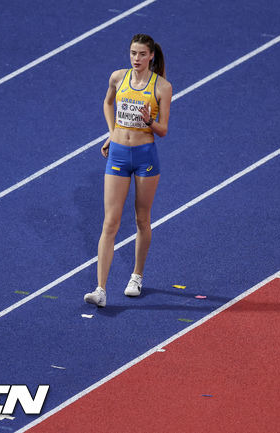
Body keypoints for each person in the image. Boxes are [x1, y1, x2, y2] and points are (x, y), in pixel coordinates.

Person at [84, 34, 172, 307]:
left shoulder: (162, 87)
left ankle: (136, 275)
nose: (136, 59)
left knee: (141, 220)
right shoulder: (117, 78)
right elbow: (107, 103)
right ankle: (100, 289)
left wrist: (150, 121)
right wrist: (113, 133)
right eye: (133, 53)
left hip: (145, 156)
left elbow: (163, 130)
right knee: (110, 222)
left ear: (151, 57)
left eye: (142, 54)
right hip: (119, 154)